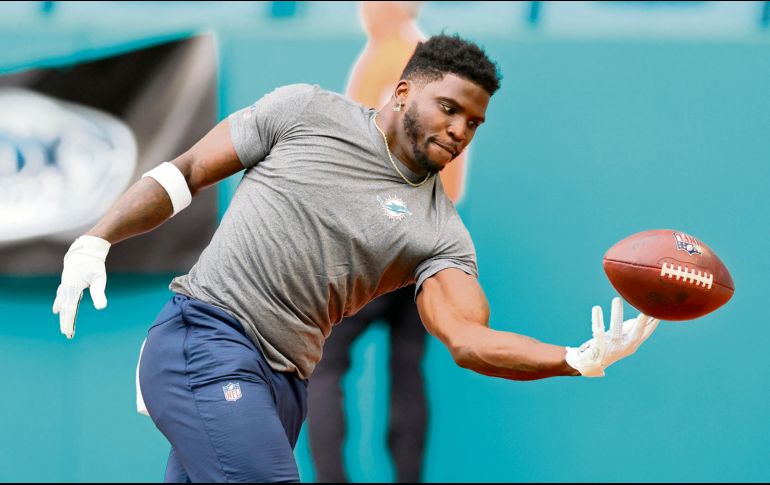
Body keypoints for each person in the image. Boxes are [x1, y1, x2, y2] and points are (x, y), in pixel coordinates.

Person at [53, 34, 660, 483]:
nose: (459, 130)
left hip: (284, 383)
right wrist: (97, 238)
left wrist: (574, 358)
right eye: (449, 108)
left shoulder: (439, 232)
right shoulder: (305, 112)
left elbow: (469, 339)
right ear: (403, 93)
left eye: (474, 122)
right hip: (207, 337)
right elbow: (185, 173)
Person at [308, 3, 454, 482]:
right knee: (407, 368)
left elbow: (367, 155)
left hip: (379, 237)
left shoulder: (395, 59)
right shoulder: (436, 61)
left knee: (323, 364)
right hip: (430, 239)